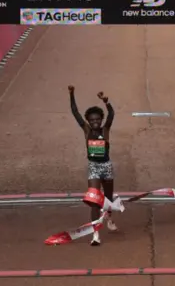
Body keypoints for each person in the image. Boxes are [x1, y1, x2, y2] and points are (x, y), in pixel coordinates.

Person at [68, 85, 116, 246]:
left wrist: (106, 102)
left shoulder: (106, 130)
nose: (95, 122)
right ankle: (96, 234)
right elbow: (75, 113)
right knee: (94, 199)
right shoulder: (87, 131)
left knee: (108, 198)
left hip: (107, 167)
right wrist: (72, 94)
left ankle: (109, 216)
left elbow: (111, 115)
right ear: (88, 121)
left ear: (100, 120)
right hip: (94, 167)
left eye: (97, 119)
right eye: (92, 120)